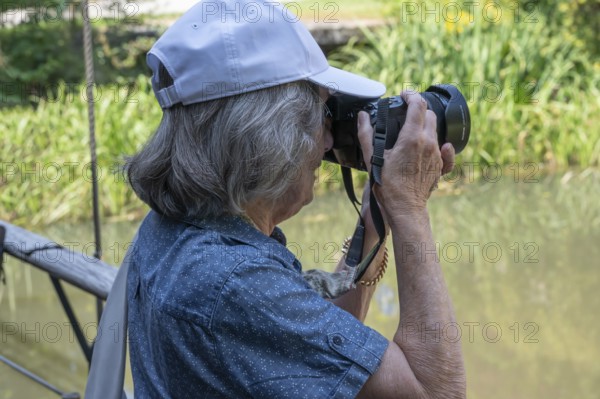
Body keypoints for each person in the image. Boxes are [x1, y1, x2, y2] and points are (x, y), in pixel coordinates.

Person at [125, 0, 465, 398]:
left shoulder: (175, 231)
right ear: (266, 136)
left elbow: (322, 349)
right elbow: (434, 391)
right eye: (321, 116)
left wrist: (377, 220)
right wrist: (410, 210)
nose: (326, 142)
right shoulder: (234, 283)